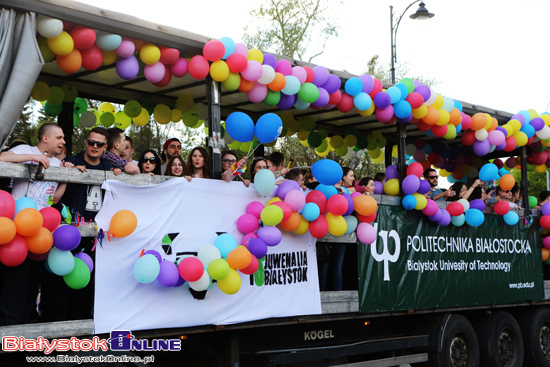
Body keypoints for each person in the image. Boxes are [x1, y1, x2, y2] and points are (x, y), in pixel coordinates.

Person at [0, 123, 73, 325]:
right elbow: (2, 158)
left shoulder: (58, 164)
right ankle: (8, 328)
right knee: (14, 283)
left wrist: (66, 177)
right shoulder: (26, 150)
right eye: (59, 137)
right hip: (17, 233)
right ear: (45, 138)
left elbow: (54, 199)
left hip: (41, 233)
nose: (63, 142)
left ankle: (23, 327)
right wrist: (32, 158)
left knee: (33, 283)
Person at [40, 127, 113, 322]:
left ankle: (81, 332)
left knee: (86, 282)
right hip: (69, 235)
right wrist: (69, 170)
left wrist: (119, 172)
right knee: (61, 283)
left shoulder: (108, 166)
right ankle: (57, 330)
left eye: (99, 144)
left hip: (96, 238)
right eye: (91, 142)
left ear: (105, 147)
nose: (94, 147)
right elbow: (54, 195)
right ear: (86, 143)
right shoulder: (74, 161)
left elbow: (132, 171)